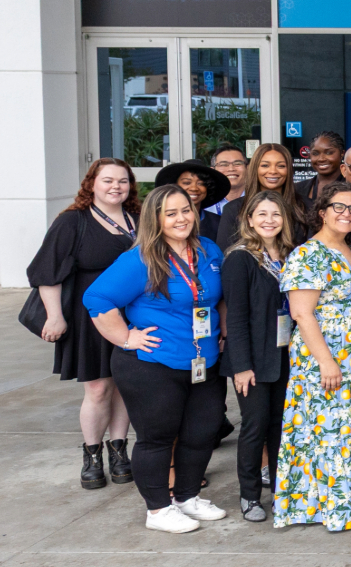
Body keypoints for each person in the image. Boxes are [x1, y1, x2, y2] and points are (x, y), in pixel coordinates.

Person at [83, 185, 228, 534]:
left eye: (186, 210)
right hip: (152, 364)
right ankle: (158, 510)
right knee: (158, 437)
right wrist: (126, 337)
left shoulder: (207, 249)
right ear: (156, 219)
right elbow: (97, 298)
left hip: (203, 361)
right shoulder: (142, 258)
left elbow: (214, 295)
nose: (181, 218)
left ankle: (187, 497)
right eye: (171, 213)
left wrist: (221, 327)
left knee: (202, 431)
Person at [274, 182, 351, 530]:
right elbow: (302, 314)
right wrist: (326, 360)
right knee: (327, 430)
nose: (347, 214)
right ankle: (327, 507)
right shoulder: (308, 254)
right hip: (325, 354)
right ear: (321, 212)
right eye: (338, 207)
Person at [29, 159, 139, 492]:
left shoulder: (137, 219)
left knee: (124, 385)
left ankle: (119, 450)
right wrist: (54, 315)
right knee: (99, 388)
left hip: (131, 314)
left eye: (123, 181)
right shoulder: (72, 222)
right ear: (91, 184)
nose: (116, 187)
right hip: (88, 317)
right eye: (108, 180)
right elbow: (46, 272)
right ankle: (91, 455)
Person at [220, 190, 298, 523]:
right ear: (249, 219)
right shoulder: (240, 258)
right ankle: (250, 496)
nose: (269, 221)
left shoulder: (291, 255)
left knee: (281, 427)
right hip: (251, 359)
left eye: (276, 215)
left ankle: (282, 492)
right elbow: (235, 316)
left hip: (285, 355)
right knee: (255, 427)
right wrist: (241, 366)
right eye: (262, 215)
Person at [293, 131, 345, 208]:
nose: (321, 159)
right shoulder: (297, 189)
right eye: (315, 153)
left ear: (342, 154)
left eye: (328, 153)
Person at [208, 145, 249, 214]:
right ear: (213, 171)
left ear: (247, 168)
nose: (231, 169)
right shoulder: (205, 204)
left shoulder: (258, 200)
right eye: (223, 164)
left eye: (237, 163)